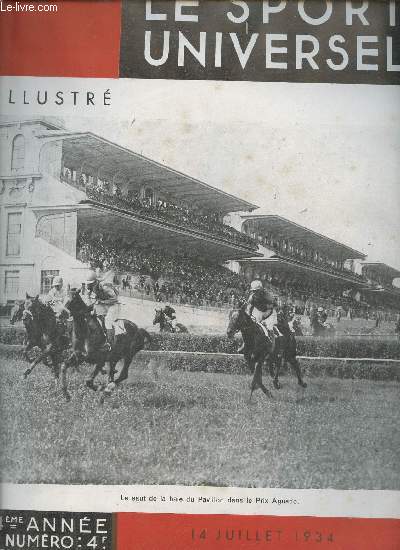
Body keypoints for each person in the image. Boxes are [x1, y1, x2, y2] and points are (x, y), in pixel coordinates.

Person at [84, 270, 120, 349]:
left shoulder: (105, 286)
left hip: (113, 305)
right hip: (102, 306)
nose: (89, 286)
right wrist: (90, 304)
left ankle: (110, 343)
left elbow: (114, 299)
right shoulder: (89, 287)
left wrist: (102, 301)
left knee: (107, 321)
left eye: (91, 284)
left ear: (95, 282)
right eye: (88, 284)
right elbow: (88, 299)